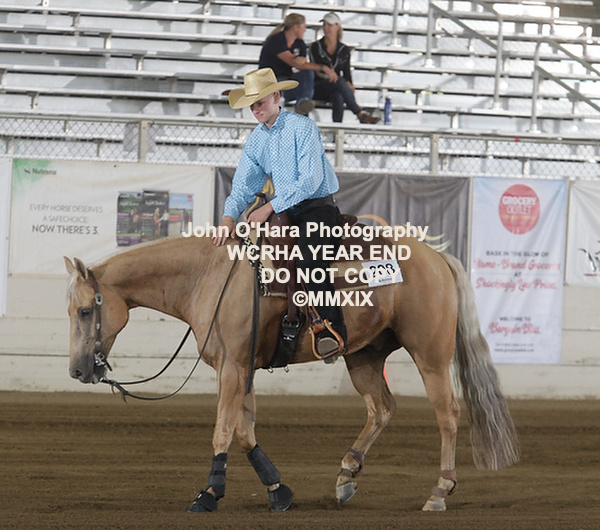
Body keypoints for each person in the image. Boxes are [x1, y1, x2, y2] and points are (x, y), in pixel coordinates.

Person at [213, 67, 347, 358]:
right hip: (285, 207)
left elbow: (310, 181)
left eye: (260, 103)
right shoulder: (257, 139)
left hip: (317, 206)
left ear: (276, 97)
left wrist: (269, 207)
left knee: (310, 261)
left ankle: (331, 330)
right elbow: (244, 184)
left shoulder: (303, 127)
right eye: (251, 105)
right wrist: (227, 217)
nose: (255, 110)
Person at [258, 13, 337, 116]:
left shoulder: (299, 43)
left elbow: (302, 63)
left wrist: (301, 61)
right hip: (270, 83)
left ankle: (302, 104)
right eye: (303, 27)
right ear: (296, 27)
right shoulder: (276, 41)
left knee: (306, 75)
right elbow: (293, 62)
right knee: (305, 76)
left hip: (285, 82)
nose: (305, 30)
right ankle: (302, 108)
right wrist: (323, 67)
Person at [310, 12, 379, 124]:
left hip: (335, 86)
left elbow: (347, 73)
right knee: (339, 82)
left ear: (337, 27)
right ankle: (359, 113)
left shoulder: (344, 49)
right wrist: (341, 81)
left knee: (338, 96)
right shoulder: (315, 46)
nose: (326, 28)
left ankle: (337, 128)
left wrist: (348, 84)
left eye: (329, 25)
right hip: (318, 86)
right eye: (324, 25)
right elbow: (316, 71)